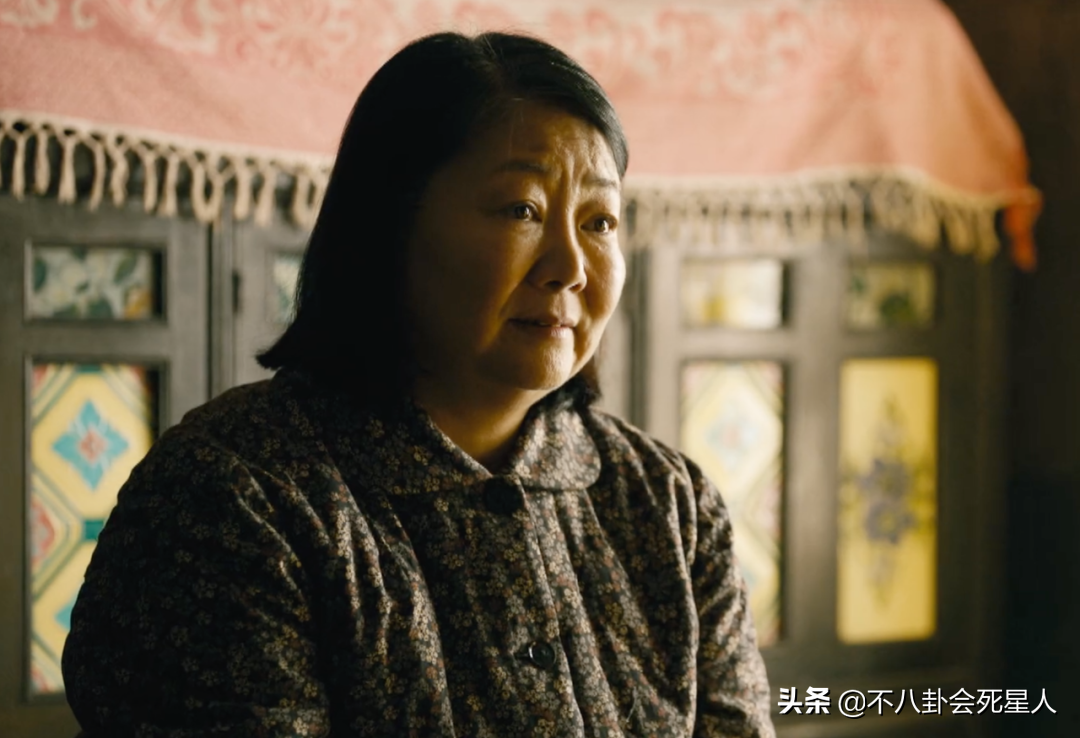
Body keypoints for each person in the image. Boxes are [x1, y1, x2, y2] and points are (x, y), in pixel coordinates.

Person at [62, 31, 776, 737]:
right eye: (522, 210)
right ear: (389, 224)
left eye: (599, 221)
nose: (570, 267)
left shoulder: (671, 507)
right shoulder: (237, 496)